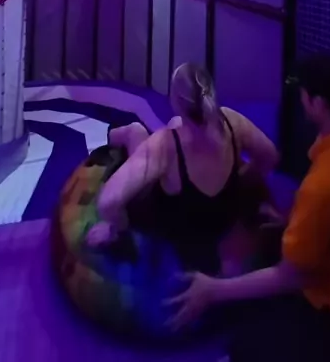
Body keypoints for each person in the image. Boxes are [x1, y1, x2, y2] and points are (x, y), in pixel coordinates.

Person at [167, 54, 330, 362]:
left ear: (319, 104)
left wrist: (213, 290)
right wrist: (290, 220)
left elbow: (291, 276)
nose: (300, 98)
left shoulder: (324, 186)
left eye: (303, 93)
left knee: (244, 345)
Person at [87, 62, 279, 275]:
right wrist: (244, 183)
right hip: (221, 217)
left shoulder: (165, 145)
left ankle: (105, 138)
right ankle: (112, 138)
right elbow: (270, 156)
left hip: (174, 227)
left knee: (135, 131)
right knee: (173, 124)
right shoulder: (233, 122)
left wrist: (114, 229)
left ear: (175, 101)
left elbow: (108, 203)